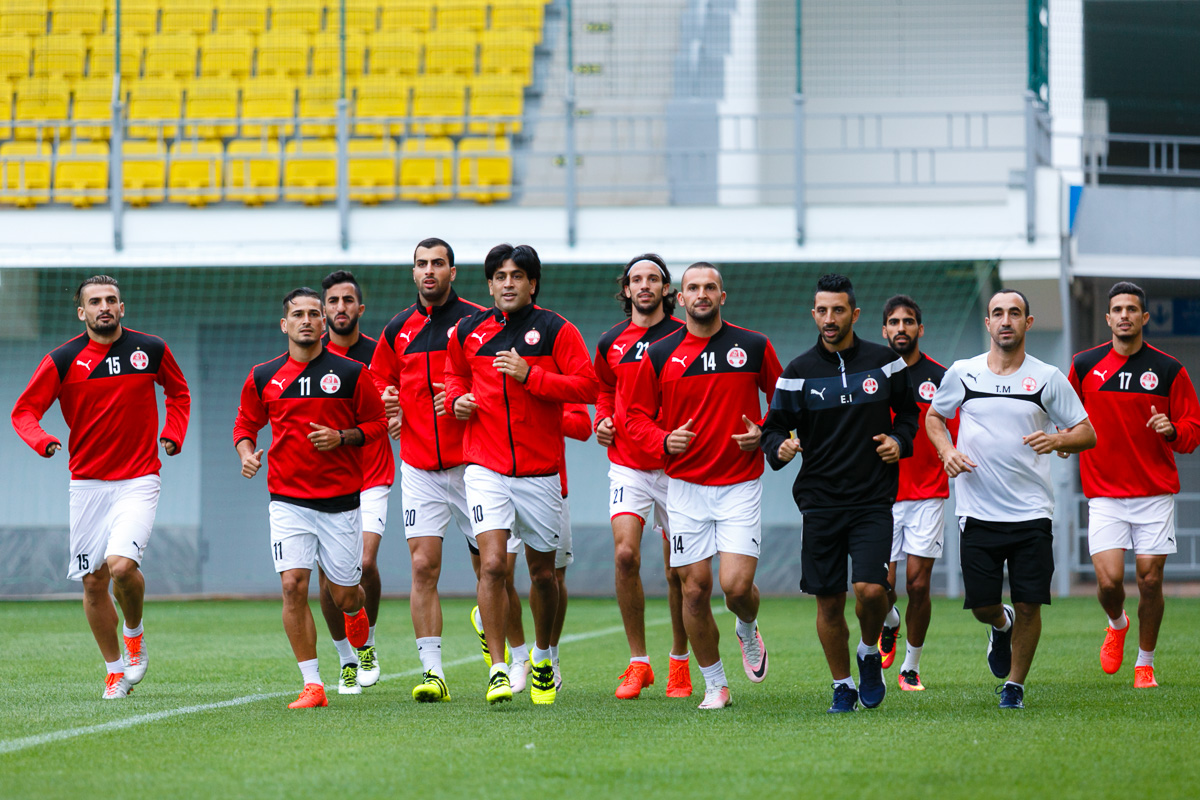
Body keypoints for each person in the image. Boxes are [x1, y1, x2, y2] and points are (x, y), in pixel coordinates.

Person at [12, 275, 190, 700]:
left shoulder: (151, 349)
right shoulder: (62, 359)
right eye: (95, 302)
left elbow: (178, 393)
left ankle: (134, 635)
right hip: (87, 485)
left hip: (139, 478)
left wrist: (173, 433)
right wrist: (43, 440)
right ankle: (114, 673)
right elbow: (24, 412)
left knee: (122, 567)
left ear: (122, 308)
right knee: (93, 582)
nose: (104, 307)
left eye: (111, 300)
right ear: (82, 312)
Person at [444, 243, 598, 705]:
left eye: (517, 276)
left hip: (540, 473)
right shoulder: (468, 331)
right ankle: (498, 668)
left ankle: (543, 658)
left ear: (533, 283)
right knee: (493, 565)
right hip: (484, 466)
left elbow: (588, 387)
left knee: (543, 575)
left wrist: (532, 376)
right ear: (489, 285)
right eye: (500, 276)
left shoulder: (557, 330)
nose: (507, 283)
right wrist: (456, 400)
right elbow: (454, 377)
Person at [927, 289, 1095, 710]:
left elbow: (1086, 433)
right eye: (998, 313)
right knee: (983, 605)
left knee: (1030, 603)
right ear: (988, 323)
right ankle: (1001, 625)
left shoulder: (1048, 378)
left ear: (1027, 322)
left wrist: (1057, 439)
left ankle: (1015, 686)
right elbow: (934, 417)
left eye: (1014, 313)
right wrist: (947, 451)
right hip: (977, 511)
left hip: (1032, 512)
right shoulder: (963, 373)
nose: (1006, 320)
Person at [626, 262, 782, 710]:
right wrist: (663, 440)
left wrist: (764, 431)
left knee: (735, 588)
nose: (701, 294)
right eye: (693, 287)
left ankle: (746, 627)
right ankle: (715, 684)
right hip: (684, 487)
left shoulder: (754, 346)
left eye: (710, 287)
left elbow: (785, 399)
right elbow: (634, 416)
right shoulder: (659, 353)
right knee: (693, 589)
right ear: (680, 298)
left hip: (739, 483)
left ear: (722, 296)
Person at [761, 274, 919, 714]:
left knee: (871, 590)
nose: (829, 319)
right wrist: (780, 447)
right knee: (829, 602)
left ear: (855, 314)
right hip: (820, 503)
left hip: (872, 501)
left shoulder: (886, 363)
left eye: (838, 310)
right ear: (813, 314)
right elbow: (772, 430)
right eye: (822, 311)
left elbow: (909, 415)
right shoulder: (797, 373)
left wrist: (899, 441)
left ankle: (868, 652)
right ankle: (842, 685)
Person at [233, 287, 388, 709]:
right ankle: (313, 685)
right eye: (298, 314)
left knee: (346, 596)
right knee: (292, 587)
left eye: (314, 314)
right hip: (287, 500)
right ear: (284, 324)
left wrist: (342, 437)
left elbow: (377, 424)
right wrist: (247, 454)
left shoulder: (352, 373)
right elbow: (245, 425)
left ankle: (361, 635)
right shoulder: (263, 376)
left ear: (324, 323)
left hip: (340, 502)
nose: (307, 320)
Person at [1069, 281, 1200, 688]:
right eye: (1117, 309)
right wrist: (1062, 440)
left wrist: (1172, 429)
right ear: (1108, 318)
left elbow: (1193, 431)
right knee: (1109, 583)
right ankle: (1117, 622)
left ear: (1144, 317)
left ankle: (1145, 664)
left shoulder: (1169, 369)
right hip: (1105, 493)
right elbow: (1067, 416)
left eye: (1131, 309)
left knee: (1150, 579)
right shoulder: (1084, 365)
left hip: (1154, 493)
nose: (1124, 315)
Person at [373, 237, 485, 703]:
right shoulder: (397, 328)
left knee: (492, 567)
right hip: (418, 466)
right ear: (414, 272)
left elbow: (493, 381)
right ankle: (433, 672)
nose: (429, 271)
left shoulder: (477, 321)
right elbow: (378, 379)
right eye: (422, 264)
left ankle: (501, 646)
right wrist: (387, 400)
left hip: (474, 463)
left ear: (452, 272)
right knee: (422, 566)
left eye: (438, 263)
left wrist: (467, 398)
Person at [594, 254, 691, 700]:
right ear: (626, 289)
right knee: (625, 556)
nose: (645, 285)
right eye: (637, 279)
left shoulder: (685, 337)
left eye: (653, 278)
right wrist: (602, 419)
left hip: (676, 467)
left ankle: (679, 662)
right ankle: (639, 663)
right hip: (628, 463)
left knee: (678, 570)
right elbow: (604, 388)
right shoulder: (610, 341)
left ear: (667, 289)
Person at [310, 270, 396, 694]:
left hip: (372, 474)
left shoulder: (382, 354)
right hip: (326, 481)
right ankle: (345, 656)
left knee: (364, 563)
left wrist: (399, 409)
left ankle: (367, 644)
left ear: (360, 308)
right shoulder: (310, 357)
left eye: (347, 300)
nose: (340, 307)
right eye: (333, 301)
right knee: (329, 575)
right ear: (323, 311)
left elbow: (403, 397)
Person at [468, 403, 591, 693]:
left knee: (550, 576)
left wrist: (538, 412)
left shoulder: (550, 379)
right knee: (498, 570)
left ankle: (549, 656)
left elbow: (583, 427)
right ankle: (517, 659)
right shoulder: (489, 376)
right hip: (497, 479)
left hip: (546, 483)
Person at [878, 295, 957, 691]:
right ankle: (890, 621)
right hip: (881, 495)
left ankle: (910, 666)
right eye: (894, 322)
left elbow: (954, 433)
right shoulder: (871, 375)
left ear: (920, 329)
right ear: (884, 330)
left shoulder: (941, 377)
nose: (901, 328)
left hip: (927, 493)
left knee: (918, 585)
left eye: (908, 321)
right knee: (880, 588)